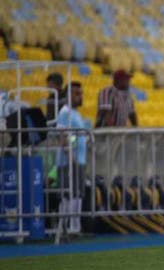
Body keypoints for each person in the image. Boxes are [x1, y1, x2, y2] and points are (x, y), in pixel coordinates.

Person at [56, 81, 88, 233]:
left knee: (77, 193)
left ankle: (74, 226)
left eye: (81, 93)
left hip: (78, 160)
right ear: (68, 95)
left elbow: (75, 137)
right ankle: (65, 227)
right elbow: (62, 137)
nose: (80, 97)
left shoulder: (76, 113)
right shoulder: (65, 112)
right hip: (69, 161)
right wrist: (71, 158)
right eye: (76, 94)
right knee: (68, 194)